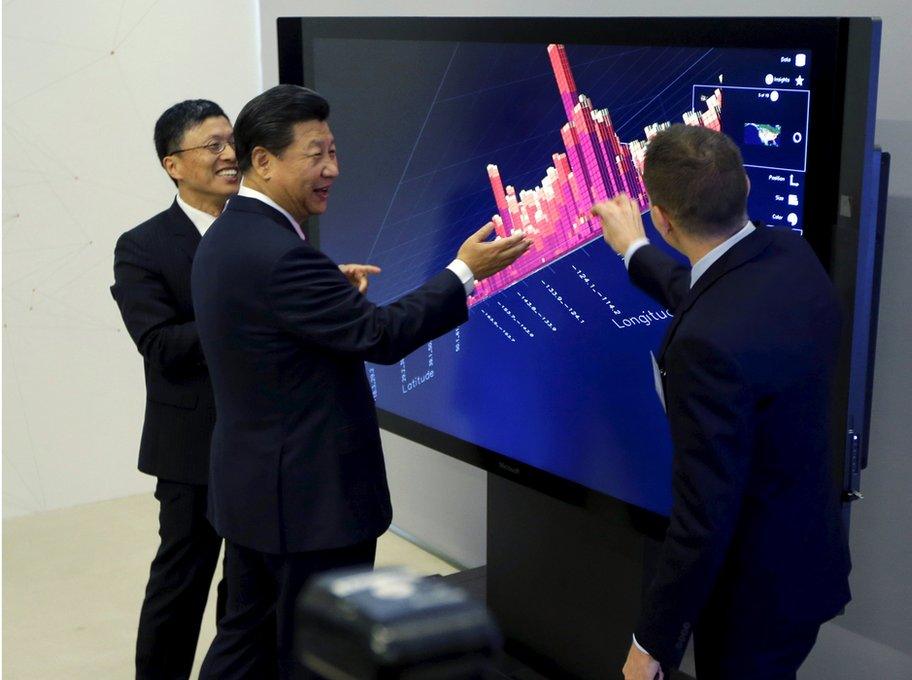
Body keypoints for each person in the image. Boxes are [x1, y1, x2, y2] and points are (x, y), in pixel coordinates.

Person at [191, 84, 531, 679]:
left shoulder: (228, 235)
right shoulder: (280, 255)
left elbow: (270, 336)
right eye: (316, 154)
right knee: (311, 655)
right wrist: (462, 273)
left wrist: (327, 304)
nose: (333, 169)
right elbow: (382, 337)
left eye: (335, 152)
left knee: (244, 642)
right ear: (263, 160)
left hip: (252, 491)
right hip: (309, 502)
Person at [591, 125, 851, 680]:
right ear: (745, 187)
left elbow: (701, 517)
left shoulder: (704, 347)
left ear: (661, 217)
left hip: (751, 596)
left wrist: (650, 644)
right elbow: (710, 295)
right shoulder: (788, 253)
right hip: (806, 562)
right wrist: (632, 250)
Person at [111, 99, 239, 679]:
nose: (229, 155)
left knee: (249, 584)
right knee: (180, 584)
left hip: (264, 439)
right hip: (191, 443)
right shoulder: (142, 246)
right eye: (212, 145)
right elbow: (161, 345)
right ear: (174, 164)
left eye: (231, 141)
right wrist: (247, 309)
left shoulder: (265, 228)